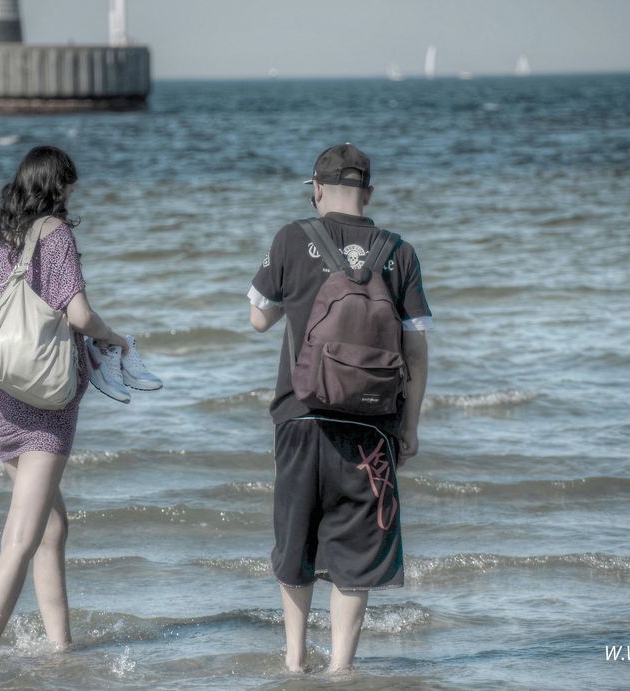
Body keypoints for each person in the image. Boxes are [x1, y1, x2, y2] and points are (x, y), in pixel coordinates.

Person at [247, 143, 432, 672]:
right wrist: (410, 427)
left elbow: (259, 319)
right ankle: (341, 668)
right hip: (372, 429)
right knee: (355, 552)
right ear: (369, 194)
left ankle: (294, 659)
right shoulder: (400, 253)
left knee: (296, 542)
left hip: (300, 418)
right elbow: (416, 351)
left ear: (318, 190)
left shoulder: (291, 238)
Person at [0, 145, 129, 655]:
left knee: (51, 524)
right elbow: (79, 315)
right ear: (55, 187)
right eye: (68, 188)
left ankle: (61, 645)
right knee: (20, 540)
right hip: (45, 407)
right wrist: (115, 338)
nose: (70, 198)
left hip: (2, 396)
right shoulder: (56, 235)